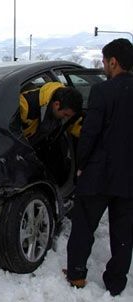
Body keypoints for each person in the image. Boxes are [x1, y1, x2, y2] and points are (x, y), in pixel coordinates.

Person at [66, 38, 133, 296]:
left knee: (84, 225)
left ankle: (77, 275)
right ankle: (116, 282)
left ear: (113, 62)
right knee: (123, 232)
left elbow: (89, 134)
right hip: (128, 177)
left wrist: (81, 164)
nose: (104, 66)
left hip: (98, 173)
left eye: (104, 61)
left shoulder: (102, 91)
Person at [20, 82, 83, 146]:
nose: (67, 118)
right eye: (65, 115)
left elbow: (77, 128)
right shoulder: (25, 105)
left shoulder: (66, 108)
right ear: (57, 104)